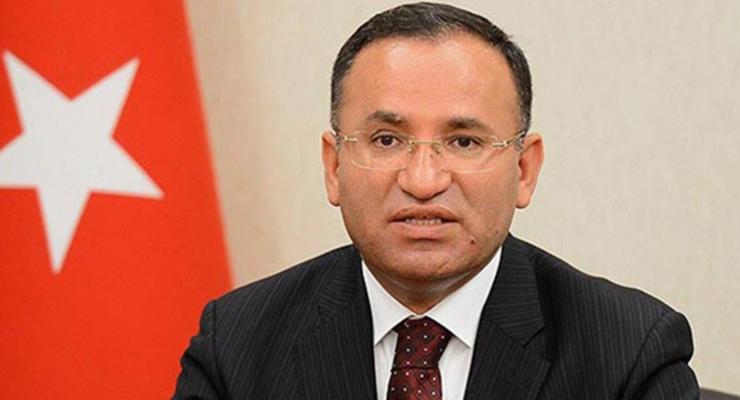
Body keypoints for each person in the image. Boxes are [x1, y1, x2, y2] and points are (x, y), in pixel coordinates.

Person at [174, 3, 699, 399]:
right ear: (334, 167)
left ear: (524, 170)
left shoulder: (629, 353)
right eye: (386, 140)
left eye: (464, 142)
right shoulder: (236, 346)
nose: (423, 181)